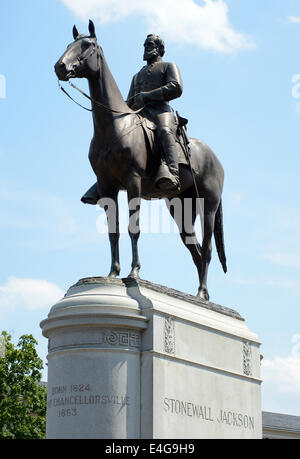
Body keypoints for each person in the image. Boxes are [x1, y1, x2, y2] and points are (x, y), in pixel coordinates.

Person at [126, 34, 183, 191]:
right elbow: (129, 102)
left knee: (164, 131)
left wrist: (148, 95)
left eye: (150, 45)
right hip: (139, 114)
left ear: (160, 49)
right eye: (145, 45)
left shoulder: (168, 66)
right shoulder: (136, 76)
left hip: (160, 111)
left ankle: (173, 173)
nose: (146, 48)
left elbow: (176, 87)